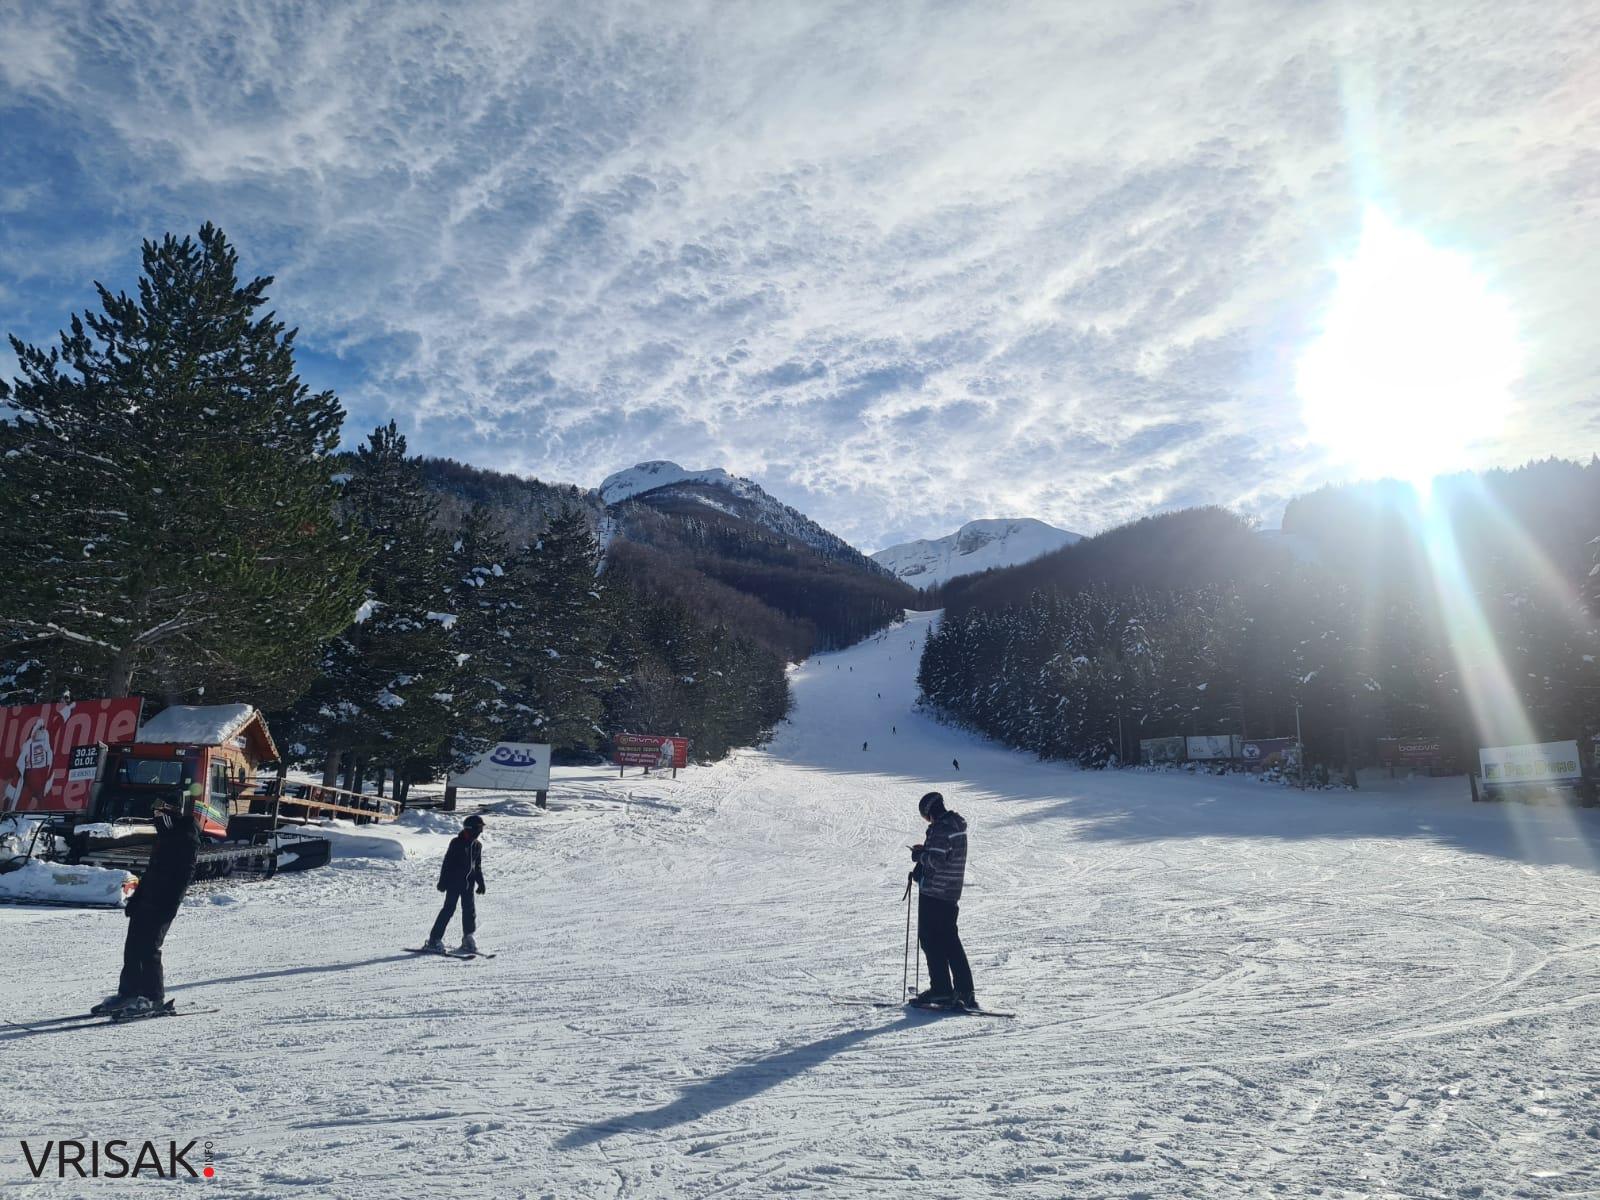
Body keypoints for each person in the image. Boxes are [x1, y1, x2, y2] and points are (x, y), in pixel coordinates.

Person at [94, 784, 201, 1017]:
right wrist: (137, 899)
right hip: (147, 901)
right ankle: (128, 993)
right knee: (132, 947)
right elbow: (152, 872)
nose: (154, 815)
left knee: (149, 949)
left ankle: (153, 997)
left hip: (163, 904)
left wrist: (168, 904)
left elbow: (182, 876)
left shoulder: (185, 835)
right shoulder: (166, 835)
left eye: (158, 809)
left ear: (172, 810)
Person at [908, 791, 976, 1011]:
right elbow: (943, 855)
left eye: (926, 817)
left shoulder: (941, 829)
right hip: (950, 892)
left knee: (931, 940)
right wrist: (925, 853)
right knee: (949, 941)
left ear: (929, 813)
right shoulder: (955, 826)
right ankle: (963, 990)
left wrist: (920, 856)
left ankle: (942, 989)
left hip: (935, 892)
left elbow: (935, 861)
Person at [424, 814, 486, 954]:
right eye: (479, 828)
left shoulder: (477, 845)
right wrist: (443, 881)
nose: (481, 832)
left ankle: (468, 937)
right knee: (448, 910)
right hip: (454, 883)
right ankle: (434, 939)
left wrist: (480, 883)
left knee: (469, 911)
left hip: (468, 885)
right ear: (471, 829)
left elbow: (477, 866)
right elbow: (447, 863)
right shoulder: (456, 843)